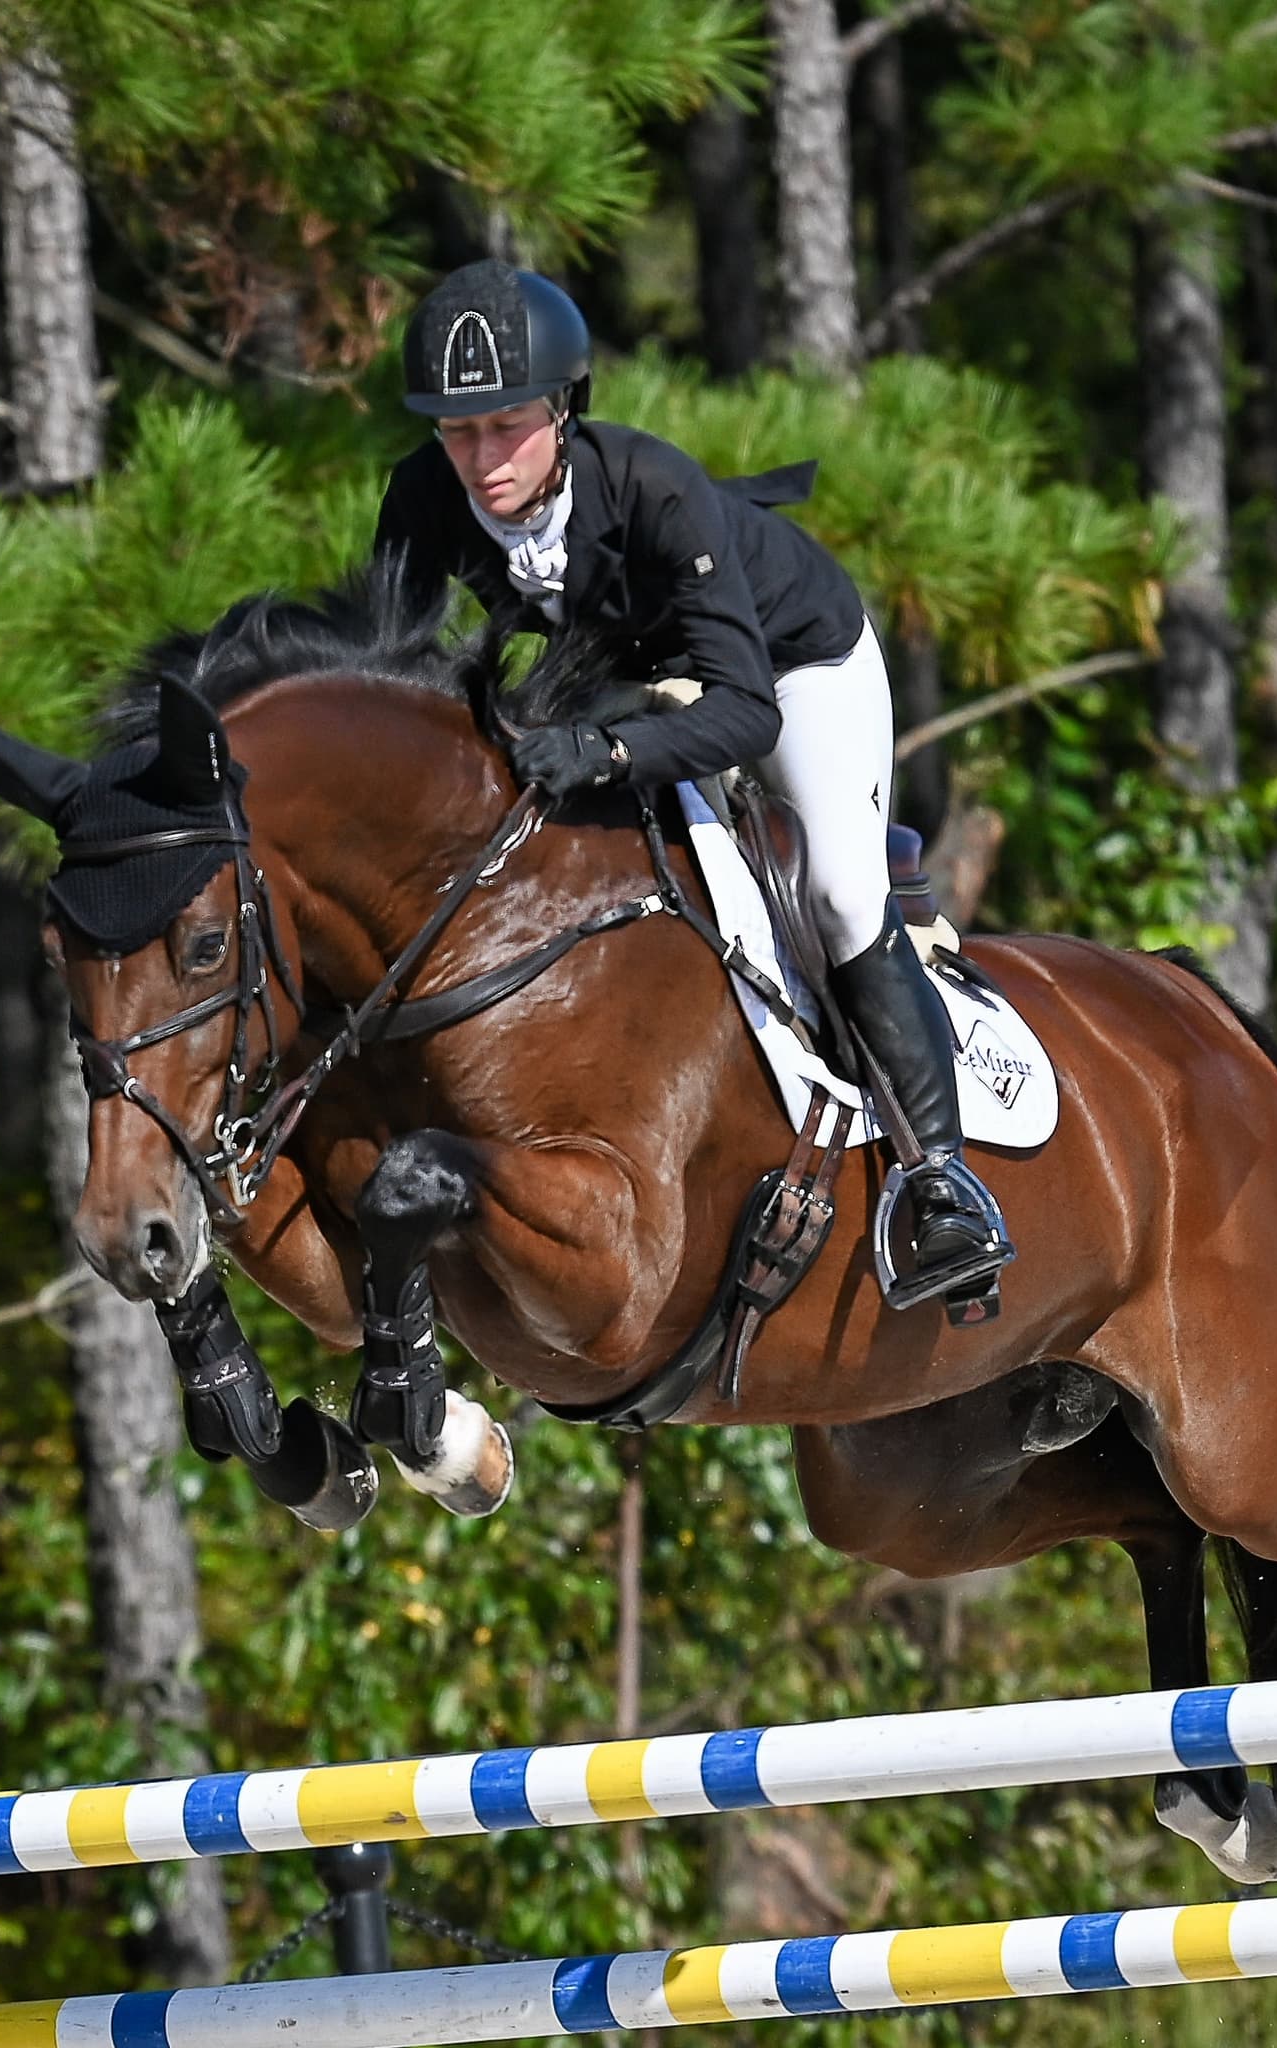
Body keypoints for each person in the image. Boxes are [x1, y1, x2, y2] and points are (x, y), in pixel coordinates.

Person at [371, 260, 1011, 1311]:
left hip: (790, 664)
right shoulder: (422, 497)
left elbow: (746, 710)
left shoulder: (653, 487)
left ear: (563, 408)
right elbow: (396, 679)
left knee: (839, 891)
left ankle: (943, 1182)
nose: (481, 461)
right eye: (457, 432)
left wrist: (608, 753)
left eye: (506, 426)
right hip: (623, 675)